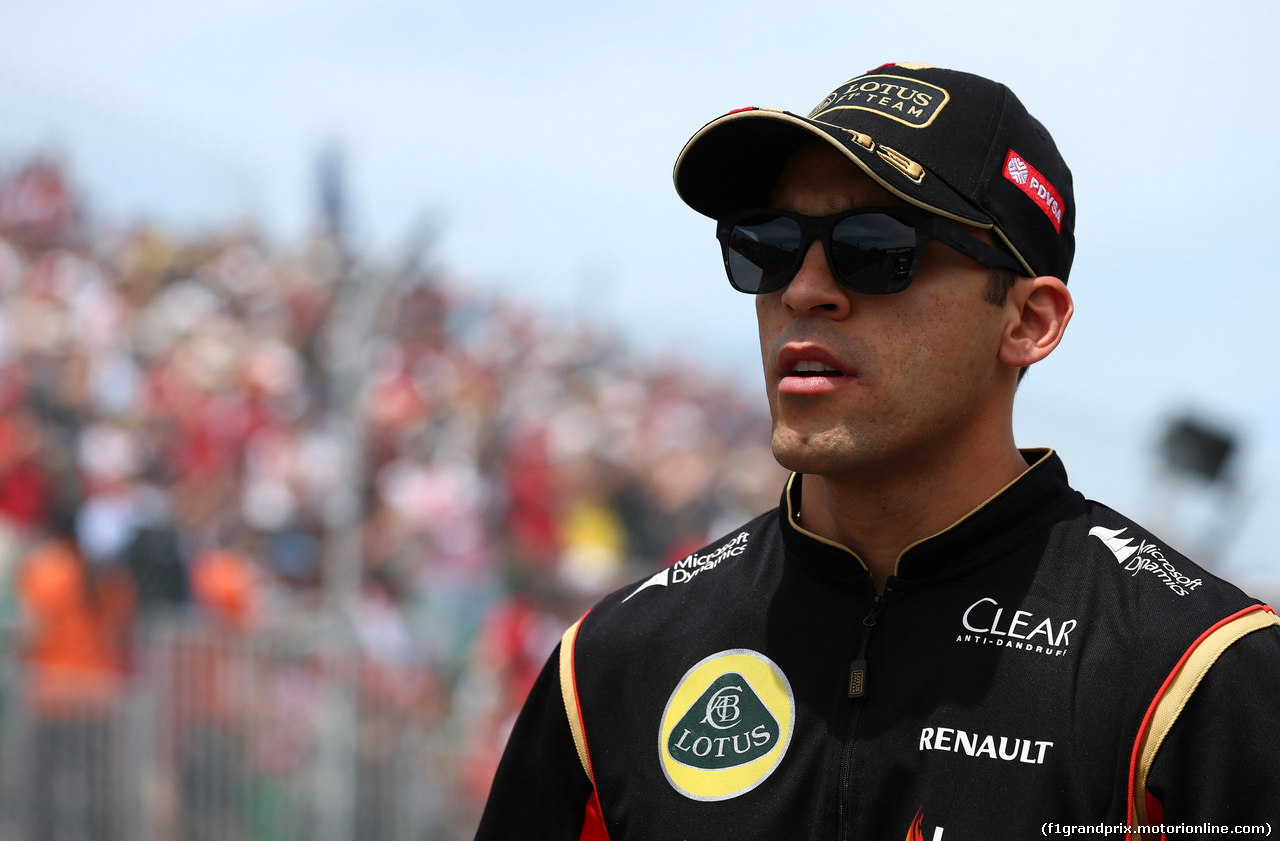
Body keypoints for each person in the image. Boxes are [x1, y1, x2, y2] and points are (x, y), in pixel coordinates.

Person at [476, 63, 1280, 839]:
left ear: (1029, 322)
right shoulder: (612, 663)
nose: (802, 290)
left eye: (875, 247)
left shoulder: (1200, 673)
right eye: (769, 245)